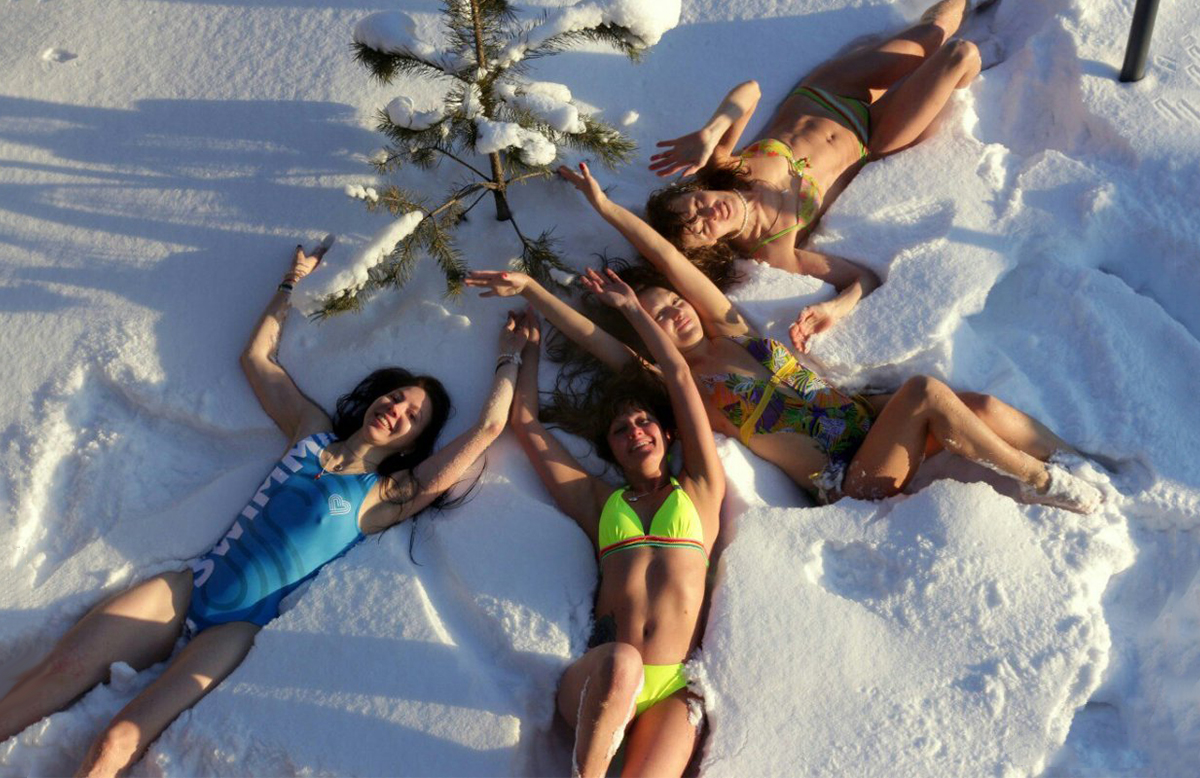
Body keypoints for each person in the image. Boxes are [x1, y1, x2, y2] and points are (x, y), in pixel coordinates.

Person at [0, 244, 530, 777]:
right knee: (63, 667)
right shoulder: (310, 431)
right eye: (395, 398)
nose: (396, 410)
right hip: (190, 586)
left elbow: (487, 430)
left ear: (414, 442)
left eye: (412, 415)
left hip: (234, 630)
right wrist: (290, 282)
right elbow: (256, 359)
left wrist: (510, 358)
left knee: (116, 740)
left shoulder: (386, 497)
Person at [465, 162, 1101, 514]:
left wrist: (606, 208)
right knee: (927, 394)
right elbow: (597, 340)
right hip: (850, 482)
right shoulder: (680, 383)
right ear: (645, 333)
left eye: (674, 303)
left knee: (978, 406)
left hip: (868, 423)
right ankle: (1043, 482)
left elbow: (670, 258)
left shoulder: (734, 331)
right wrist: (533, 289)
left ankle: (1072, 459)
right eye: (657, 317)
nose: (675, 312)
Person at [643, 0, 985, 350]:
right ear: (711, 247)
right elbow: (861, 278)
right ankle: (985, 74)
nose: (709, 212)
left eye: (697, 203)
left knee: (932, 33)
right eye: (702, 227)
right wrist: (835, 308)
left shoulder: (726, 169)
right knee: (960, 53)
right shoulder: (774, 250)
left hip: (832, 90)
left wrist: (711, 131)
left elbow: (750, 91)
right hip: (873, 136)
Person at [506, 274, 724, 777]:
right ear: (612, 449)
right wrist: (524, 352)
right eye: (621, 430)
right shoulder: (601, 503)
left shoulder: (699, 488)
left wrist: (632, 308)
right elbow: (526, 426)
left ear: (668, 434)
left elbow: (678, 376)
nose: (635, 432)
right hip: (601, 678)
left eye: (644, 422)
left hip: (672, 686)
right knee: (623, 660)